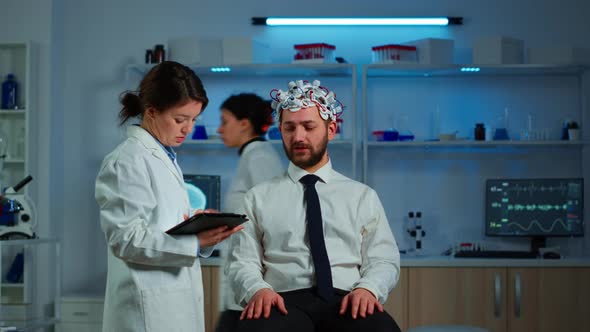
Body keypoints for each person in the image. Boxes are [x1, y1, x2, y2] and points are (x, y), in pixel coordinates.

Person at [226, 80, 401, 332]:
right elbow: (242, 261)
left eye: (309, 127)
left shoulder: (362, 196)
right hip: (281, 300)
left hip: (348, 299)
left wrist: (368, 288)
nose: (298, 137)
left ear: (331, 129)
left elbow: (383, 259)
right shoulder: (257, 197)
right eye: (289, 128)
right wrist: (258, 289)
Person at [95, 61, 243, 332]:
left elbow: (160, 224)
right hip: (145, 311)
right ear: (151, 112)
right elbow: (125, 239)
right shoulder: (127, 161)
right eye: (180, 120)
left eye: (194, 120)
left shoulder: (165, 157)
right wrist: (194, 243)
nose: (187, 129)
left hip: (173, 302)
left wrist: (196, 224)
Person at [215, 93, 285, 332]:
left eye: (225, 121)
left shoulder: (259, 156)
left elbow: (273, 217)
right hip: (242, 284)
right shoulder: (252, 155)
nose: (219, 129)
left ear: (244, 123)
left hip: (254, 285)